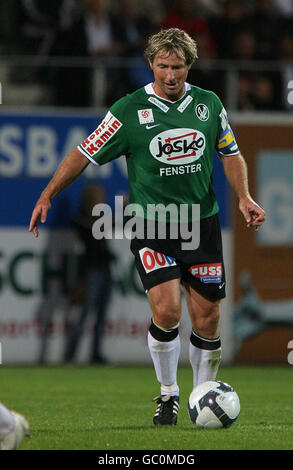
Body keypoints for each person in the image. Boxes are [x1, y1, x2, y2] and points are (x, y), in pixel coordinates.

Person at [29, 28, 265, 426]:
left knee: (207, 317)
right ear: (150, 64)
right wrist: (48, 192)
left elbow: (231, 154)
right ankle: (168, 394)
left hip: (201, 224)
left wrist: (243, 196)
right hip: (153, 225)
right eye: (162, 67)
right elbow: (84, 152)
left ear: (189, 65)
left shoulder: (208, 104)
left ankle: (201, 396)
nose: (170, 75)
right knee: (168, 310)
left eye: (177, 67)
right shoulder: (128, 109)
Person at [64, 183, 115, 364]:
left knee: (101, 316)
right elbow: (95, 228)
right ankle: (70, 354)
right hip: (90, 271)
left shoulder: (100, 218)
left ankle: (96, 353)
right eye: (99, 196)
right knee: (84, 314)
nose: (103, 200)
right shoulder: (81, 217)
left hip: (104, 270)